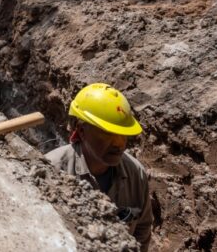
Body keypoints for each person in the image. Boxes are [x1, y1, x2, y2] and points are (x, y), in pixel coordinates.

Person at [45, 83, 153, 250]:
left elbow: (142, 229)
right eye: (108, 133)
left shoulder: (136, 174)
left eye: (123, 135)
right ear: (81, 130)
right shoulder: (51, 171)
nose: (119, 143)